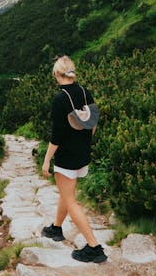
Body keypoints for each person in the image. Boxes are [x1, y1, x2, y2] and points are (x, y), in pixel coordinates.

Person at [41, 55, 107, 263]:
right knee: (66, 191)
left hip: (67, 156)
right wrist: (85, 140)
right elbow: (94, 121)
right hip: (82, 153)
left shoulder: (60, 99)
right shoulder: (85, 92)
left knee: (71, 201)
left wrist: (46, 160)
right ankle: (56, 228)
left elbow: (57, 135)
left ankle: (94, 247)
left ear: (56, 74)